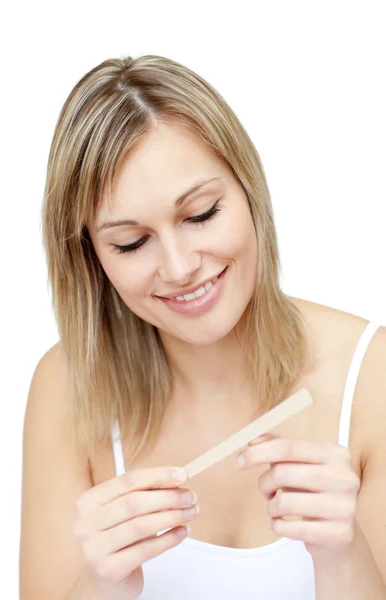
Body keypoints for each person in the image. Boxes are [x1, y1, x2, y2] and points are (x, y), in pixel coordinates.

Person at [19, 55, 386, 600]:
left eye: (201, 214)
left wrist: (342, 556)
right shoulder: (68, 387)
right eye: (131, 242)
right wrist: (101, 585)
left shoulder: (371, 375)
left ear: (248, 190)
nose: (179, 266)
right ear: (91, 256)